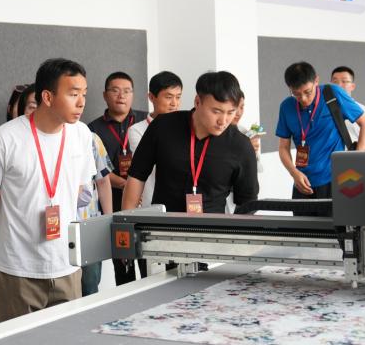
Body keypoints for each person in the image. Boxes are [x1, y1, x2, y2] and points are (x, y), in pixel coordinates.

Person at [0, 58, 97, 322]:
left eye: (84, 94)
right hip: (18, 267)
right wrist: (22, 220)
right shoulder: (4, 137)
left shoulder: (82, 134)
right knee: (17, 343)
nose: (81, 102)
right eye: (73, 94)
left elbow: (78, 190)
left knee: (68, 339)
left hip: (66, 263)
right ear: (48, 97)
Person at [122, 71, 258, 217]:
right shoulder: (163, 127)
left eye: (230, 112)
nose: (223, 121)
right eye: (216, 111)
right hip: (163, 224)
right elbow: (137, 176)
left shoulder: (241, 145)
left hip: (212, 228)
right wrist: (125, 221)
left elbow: (247, 202)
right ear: (197, 102)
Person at [87, 71, 148, 286]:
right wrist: (126, 184)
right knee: (123, 264)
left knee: (148, 261)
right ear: (105, 95)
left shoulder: (145, 121)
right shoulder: (92, 129)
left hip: (145, 202)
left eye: (127, 91)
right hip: (113, 204)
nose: (121, 96)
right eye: (115, 91)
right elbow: (97, 170)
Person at [276, 62, 365, 199]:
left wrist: (356, 159)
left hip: (335, 180)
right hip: (302, 182)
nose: (303, 99)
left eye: (308, 92)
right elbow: (283, 147)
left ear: (316, 81)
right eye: (296, 94)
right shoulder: (286, 106)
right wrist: (294, 173)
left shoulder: (332, 93)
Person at [126, 71, 183, 278]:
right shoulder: (137, 130)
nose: (174, 103)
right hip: (150, 207)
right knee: (151, 273)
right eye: (168, 97)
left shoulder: (184, 127)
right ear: (152, 97)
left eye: (178, 97)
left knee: (181, 269)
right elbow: (155, 164)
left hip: (179, 210)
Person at [78, 133, 113, 297]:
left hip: (89, 225)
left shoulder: (90, 138)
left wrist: (109, 222)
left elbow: (103, 181)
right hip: (57, 227)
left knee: (90, 285)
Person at [329, 66, 365, 151]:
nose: (339, 85)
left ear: (352, 86)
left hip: (354, 157)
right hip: (329, 157)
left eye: (344, 81)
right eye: (335, 82)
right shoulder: (323, 109)